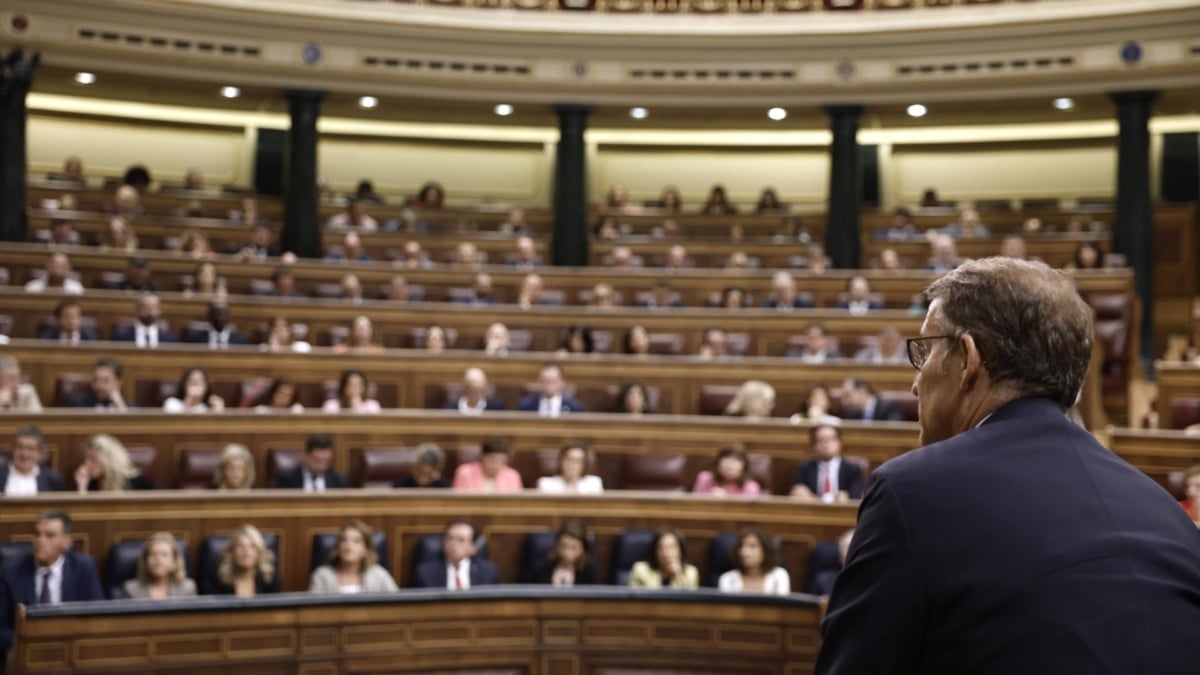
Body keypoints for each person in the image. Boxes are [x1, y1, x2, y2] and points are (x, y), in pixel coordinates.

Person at [816, 257, 1200, 675]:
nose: (915, 381)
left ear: (968, 359)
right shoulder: (1163, 510)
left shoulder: (912, 493)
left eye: (924, 351)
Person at [0, 511, 103, 667]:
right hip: (24, 656)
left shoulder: (84, 568)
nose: (40, 540)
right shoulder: (11, 571)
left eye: (49, 535)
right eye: (37, 534)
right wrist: (26, 643)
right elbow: (2, 627)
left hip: (70, 654)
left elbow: (97, 616)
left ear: (66, 541)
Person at [308, 520, 397, 594]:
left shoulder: (379, 575)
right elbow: (311, 612)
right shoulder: (322, 576)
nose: (348, 545)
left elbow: (397, 605)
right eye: (344, 540)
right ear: (337, 546)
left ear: (366, 549)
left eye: (356, 541)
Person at [413, 520, 500, 589]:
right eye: (450, 538)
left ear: (473, 548)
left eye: (461, 540)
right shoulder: (426, 573)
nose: (453, 544)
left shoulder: (488, 572)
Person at [789, 424, 861, 503]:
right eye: (821, 440)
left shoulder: (852, 469)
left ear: (839, 443)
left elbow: (855, 497)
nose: (826, 444)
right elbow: (798, 492)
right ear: (813, 445)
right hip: (813, 512)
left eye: (830, 439)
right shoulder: (805, 467)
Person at [122, 532, 197, 599]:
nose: (158, 559)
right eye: (153, 554)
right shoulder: (131, 590)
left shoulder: (187, 588)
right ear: (145, 561)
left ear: (174, 562)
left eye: (164, 555)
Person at [209, 525, 279, 597]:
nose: (246, 550)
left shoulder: (270, 579)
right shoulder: (217, 580)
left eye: (252, 546)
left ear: (259, 553)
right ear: (231, 552)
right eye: (240, 545)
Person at [74, 433, 154, 493]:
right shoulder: (91, 483)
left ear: (108, 460)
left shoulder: (137, 483)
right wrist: (82, 488)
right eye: (86, 459)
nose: (86, 464)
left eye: (93, 459)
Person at [717, 529, 790, 595]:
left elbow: (782, 608)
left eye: (752, 546)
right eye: (741, 546)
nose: (744, 552)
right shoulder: (728, 579)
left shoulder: (779, 576)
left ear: (766, 550)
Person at [527, 521, 598, 586]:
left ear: (583, 550)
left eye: (573, 548)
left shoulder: (588, 571)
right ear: (556, 545)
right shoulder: (539, 568)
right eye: (563, 546)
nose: (567, 553)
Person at [273, 434, 349, 492]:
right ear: (307, 456)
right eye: (317, 460)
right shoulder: (287, 479)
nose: (321, 466)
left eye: (326, 461)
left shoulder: (339, 481)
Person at [0, 426, 64, 495]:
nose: (24, 454)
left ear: (39, 452)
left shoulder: (53, 480)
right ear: (13, 449)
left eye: (30, 448)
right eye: (20, 447)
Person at [628, 529, 699, 589]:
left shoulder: (690, 573)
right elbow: (632, 602)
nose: (667, 553)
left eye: (672, 547)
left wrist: (679, 575)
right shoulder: (640, 570)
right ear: (655, 552)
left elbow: (691, 602)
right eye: (661, 548)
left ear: (680, 550)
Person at [451, 436, 523, 493]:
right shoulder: (465, 472)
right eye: (492, 459)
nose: (495, 464)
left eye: (500, 460)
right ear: (483, 457)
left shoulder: (512, 476)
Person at [692, 443, 762, 497]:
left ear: (744, 466)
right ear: (718, 461)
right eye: (727, 457)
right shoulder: (704, 478)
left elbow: (749, 514)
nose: (730, 463)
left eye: (737, 459)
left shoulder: (751, 487)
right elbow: (693, 509)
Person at [517, 364, 585, 417]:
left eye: (553, 381)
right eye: (546, 381)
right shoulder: (526, 405)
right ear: (539, 381)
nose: (549, 386)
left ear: (562, 382)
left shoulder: (574, 407)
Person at [112, 293, 178, 347]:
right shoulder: (122, 337)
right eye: (145, 307)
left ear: (159, 311)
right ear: (137, 310)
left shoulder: (170, 339)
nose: (149, 311)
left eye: (153, 307)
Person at [536, 442, 603, 494]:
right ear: (561, 461)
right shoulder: (546, 484)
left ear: (584, 464)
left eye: (577, 460)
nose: (572, 464)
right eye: (569, 459)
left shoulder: (594, 484)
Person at [64, 357, 129, 411]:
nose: (99, 385)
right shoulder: (78, 404)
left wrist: (120, 405)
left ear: (118, 383)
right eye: (95, 380)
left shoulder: (131, 408)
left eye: (105, 381)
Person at [808, 529, 855, 596]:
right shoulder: (822, 582)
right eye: (848, 547)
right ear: (840, 556)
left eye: (854, 547)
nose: (851, 552)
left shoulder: (872, 583)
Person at [839, 377, 905, 422]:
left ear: (862, 392)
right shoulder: (850, 413)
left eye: (847, 395)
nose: (843, 402)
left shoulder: (889, 407)